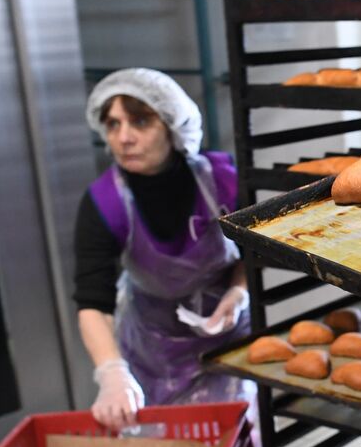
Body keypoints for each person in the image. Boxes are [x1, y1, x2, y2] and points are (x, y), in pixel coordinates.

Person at [74, 68, 253, 428]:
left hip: (229, 344)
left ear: (172, 126)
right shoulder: (105, 202)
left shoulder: (222, 180)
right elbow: (93, 302)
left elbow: (255, 254)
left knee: (240, 443)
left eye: (140, 121)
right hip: (154, 353)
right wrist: (112, 373)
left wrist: (238, 292)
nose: (123, 137)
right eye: (112, 124)